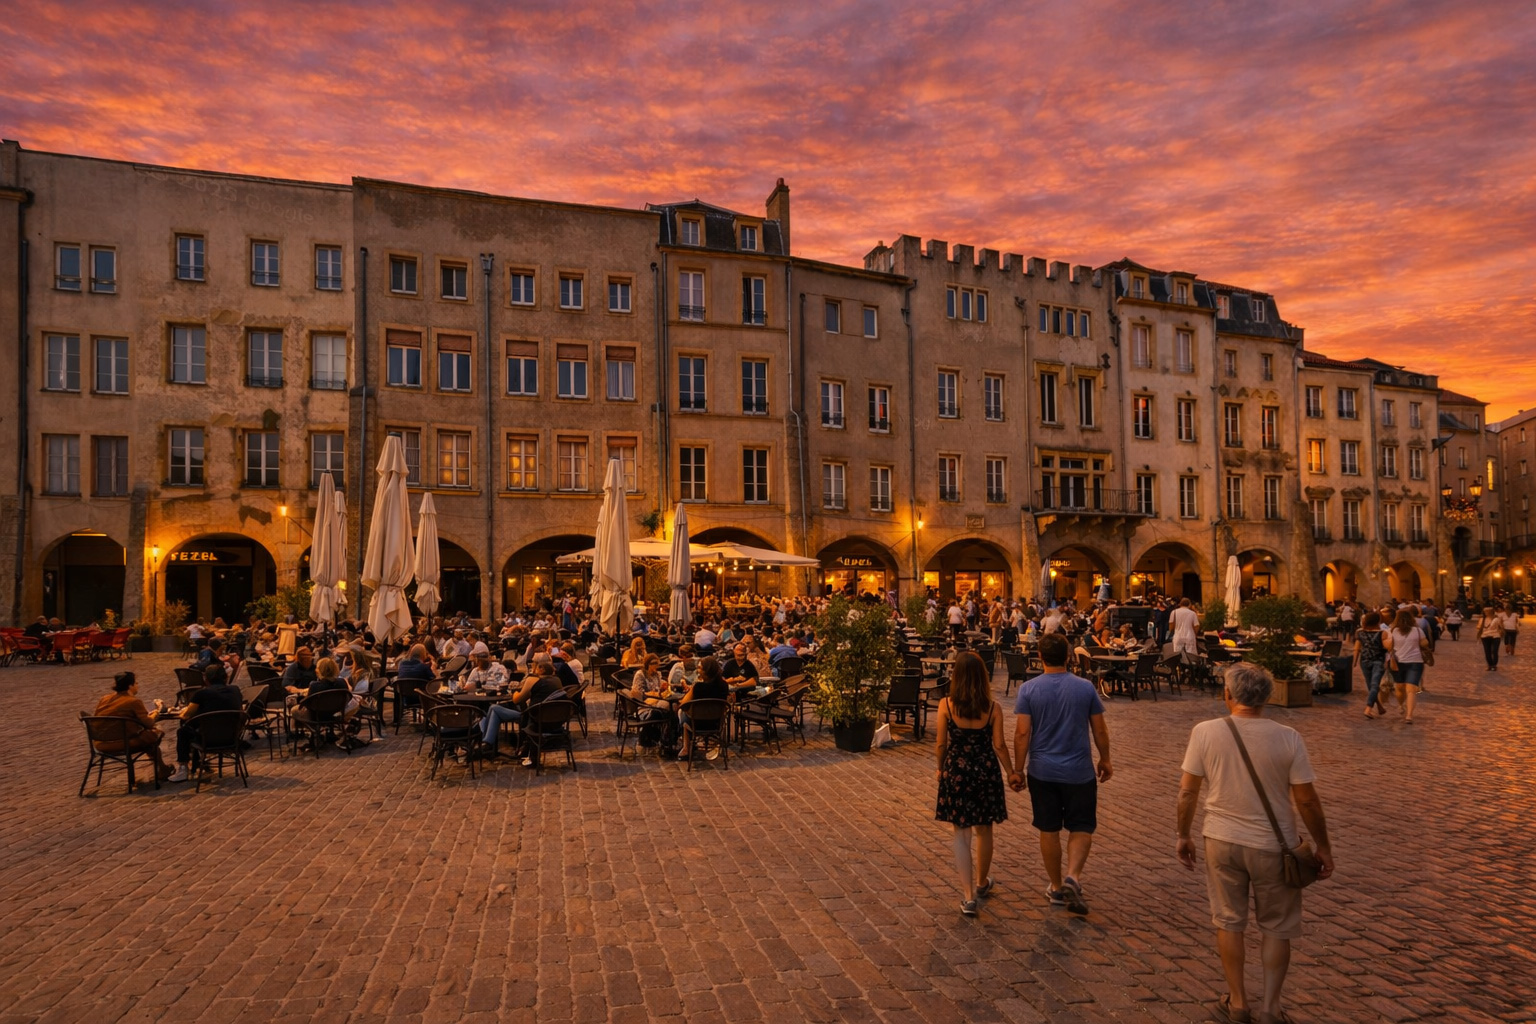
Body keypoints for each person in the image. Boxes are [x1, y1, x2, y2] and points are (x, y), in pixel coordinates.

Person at [1176, 663, 1335, 1024]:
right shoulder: (1288, 737)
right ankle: (1271, 1008)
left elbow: (1187, 791)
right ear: (1268, 696)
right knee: (1277, 927)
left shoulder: (1205, 732)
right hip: (1272, 844)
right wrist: (1323, 846)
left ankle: (1237, 1003)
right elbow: (1307, 801)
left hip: (1221, 839)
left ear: (1228, 695)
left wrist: (1183, 834)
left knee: (1229, 921)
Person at [1009, 633, 1111, 916]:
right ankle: (1073, 877)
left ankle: (1055, 886)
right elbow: (1099, 729)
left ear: (1039, 657)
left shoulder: (1029, 690)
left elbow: (1021, 733)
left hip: (1043, 770)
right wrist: (1105, 759)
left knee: (1049, 829)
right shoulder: (1085, 688)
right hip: (1079, 770)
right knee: (1081, 825)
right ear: (1069, 657)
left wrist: (1018, 769)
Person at [935, 652, 1014, 917]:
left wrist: (939, 767)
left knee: (961, 832)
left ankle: (968, 896)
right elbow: (1000, 745)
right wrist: (1012, 772)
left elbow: (941, 743)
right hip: (985, 771)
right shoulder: (993, 708)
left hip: (957, 769)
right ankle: (982, 882)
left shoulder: (946, 705)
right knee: (984, 828)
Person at [169, 663, 245, 782]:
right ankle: (199, 762)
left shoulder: (201, 694)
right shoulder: (235, 690)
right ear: (225, 677)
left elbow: (186, 715)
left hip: (208, 740)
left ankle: (183, 768)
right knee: (194, 726)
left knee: (183, 731)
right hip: (232, 738)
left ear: (206, 679)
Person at [93, 672, 174, 781]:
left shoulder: (105, 699)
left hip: (100, 743)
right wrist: (157, 711)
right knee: (153, 733)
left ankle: (162, 768)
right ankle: (161, 768)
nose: (137, 685)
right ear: (130, 686)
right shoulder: (133, 701)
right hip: (122, 742)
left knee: (147, 736)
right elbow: (148, 723)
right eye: (136, 683)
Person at [479, 657, 566, 756]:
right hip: (550, 717)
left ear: (541, 669)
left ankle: (487, 742)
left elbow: (517, 699)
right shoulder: (556, 680)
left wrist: (515, 691)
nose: (533, 670)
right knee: (493, 709)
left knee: (494, 708)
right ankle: (487, 742)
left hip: (532, 717)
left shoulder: (533, 679)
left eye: (534, 666)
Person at [678, 656, 730, 760]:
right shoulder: (724, 685)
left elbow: (683, 704)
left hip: (696, 724)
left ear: (706, 671)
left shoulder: (698, 687)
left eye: (700, 668)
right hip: (716, 723)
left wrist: (690, 690)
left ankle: (686, 748)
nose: (698, 670)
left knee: (681, 712)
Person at [1388, 608, 1428, 724]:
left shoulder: (1393, 631)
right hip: (1411, 662)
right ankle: (1406, 710)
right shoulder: (1418, 631)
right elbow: (1425, 643)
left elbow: (1389, 646)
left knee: (1405, 688)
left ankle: (1407, 713)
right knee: (1407, 689)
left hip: (1403, 662)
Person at [1355, 612, 1390, 718]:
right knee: (1373, 685)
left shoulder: (1359, 632)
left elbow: (1357, 648)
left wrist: (1355, 661)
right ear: (1378, 621)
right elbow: (1387, 647)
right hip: (1378, 660)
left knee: (1372, 685)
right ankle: (1370, 708)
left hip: (1364, 660)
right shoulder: (1383, 633)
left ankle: (1374, 707)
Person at [1476, 605, 1503, 671]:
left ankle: (1494, 665)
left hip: (1495, 636)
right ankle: (1490, 665)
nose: (1486, 612)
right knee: (1487, 651)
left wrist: (1500, 633)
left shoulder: (1496, 619)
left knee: (1494, 651)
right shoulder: (1482, 620)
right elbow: (1479, 627)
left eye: (1487, 611)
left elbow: (1501, 627)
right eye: (1485, 611)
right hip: (1485, 636)